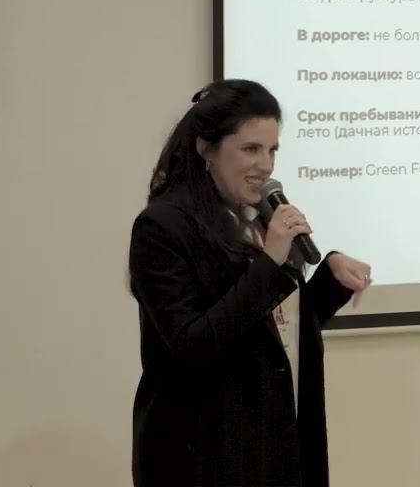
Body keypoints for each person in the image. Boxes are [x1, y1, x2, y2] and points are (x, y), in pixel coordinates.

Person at [128, 79, 371, 486]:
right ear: (206, 148)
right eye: (250, 149)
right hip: (204, 455)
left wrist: (329, 278)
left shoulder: (258, 217)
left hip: (276, 444)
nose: (266, 165)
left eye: (272, 150)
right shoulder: (163, 227)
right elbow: (193, 347)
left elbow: (272, 329)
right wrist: (271, 262)